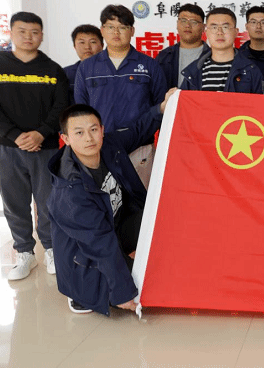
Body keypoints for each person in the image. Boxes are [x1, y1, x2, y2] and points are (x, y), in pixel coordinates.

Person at [47, 89, 175, 315]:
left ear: (102, 130)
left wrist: (162, 108)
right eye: (79, 133)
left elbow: (137, 130)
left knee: (161, 222)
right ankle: (80, 292)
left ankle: (126, 261)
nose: (89, 138)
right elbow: (100, 243)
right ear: (65, 139)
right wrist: (123, 293)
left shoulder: (108, 145)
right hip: (85, 253)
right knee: (144, 288)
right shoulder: (69, 191)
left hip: (114, 227)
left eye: (93, 129)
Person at [0, 11, 70, 280]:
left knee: (49, 202)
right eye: (22, 31)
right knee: (14, 202)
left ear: (41, 36)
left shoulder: (53, 70)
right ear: (11, 33)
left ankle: (51, 249)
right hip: (9, 149)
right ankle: (24, 252)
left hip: (46, 148)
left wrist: (41, 133)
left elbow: (61, 106)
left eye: (34, 32)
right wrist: (14, 135)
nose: (28, 37)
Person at [74, 4, 167, 189]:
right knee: (105, 202)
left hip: (140, 150)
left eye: (123, 27)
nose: (116, 32)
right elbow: (81, 110)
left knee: (140, 202)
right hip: (100, 149)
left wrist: (138, 136)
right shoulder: (87, 68)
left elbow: (161, 108)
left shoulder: (149, 65)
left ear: (132, 31)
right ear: (102, 30)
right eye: (110, 27)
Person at [180, 7, 263, 93]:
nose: (220, 32)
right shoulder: (193, 71)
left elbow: (260, 101)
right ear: (206, 32)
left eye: (225, 27)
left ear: (236, 32)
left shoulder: (251, 70)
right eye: (214, 27)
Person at [155, 3, 210, 89]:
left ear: (203, 27)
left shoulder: (212, 56)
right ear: (177, 24)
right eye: (183, 21)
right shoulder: (164, 56)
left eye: (193, 22)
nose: (188, 25)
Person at [63, 25, 103, 105]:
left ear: (102, 45)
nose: (87, 47)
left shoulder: (110, 71)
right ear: (74, 46)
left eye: (93, 42)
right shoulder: (65, 74)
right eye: (82, 42)